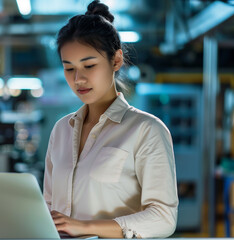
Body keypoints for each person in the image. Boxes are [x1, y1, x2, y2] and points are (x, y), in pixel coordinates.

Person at [43, 0, 178, 238]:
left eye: (89, 65)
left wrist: (86, 227)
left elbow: (163, 217)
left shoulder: (146, 130)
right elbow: (50, 207)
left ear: (115, 61)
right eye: (69, 68)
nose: (78, 79)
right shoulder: (61, 130)